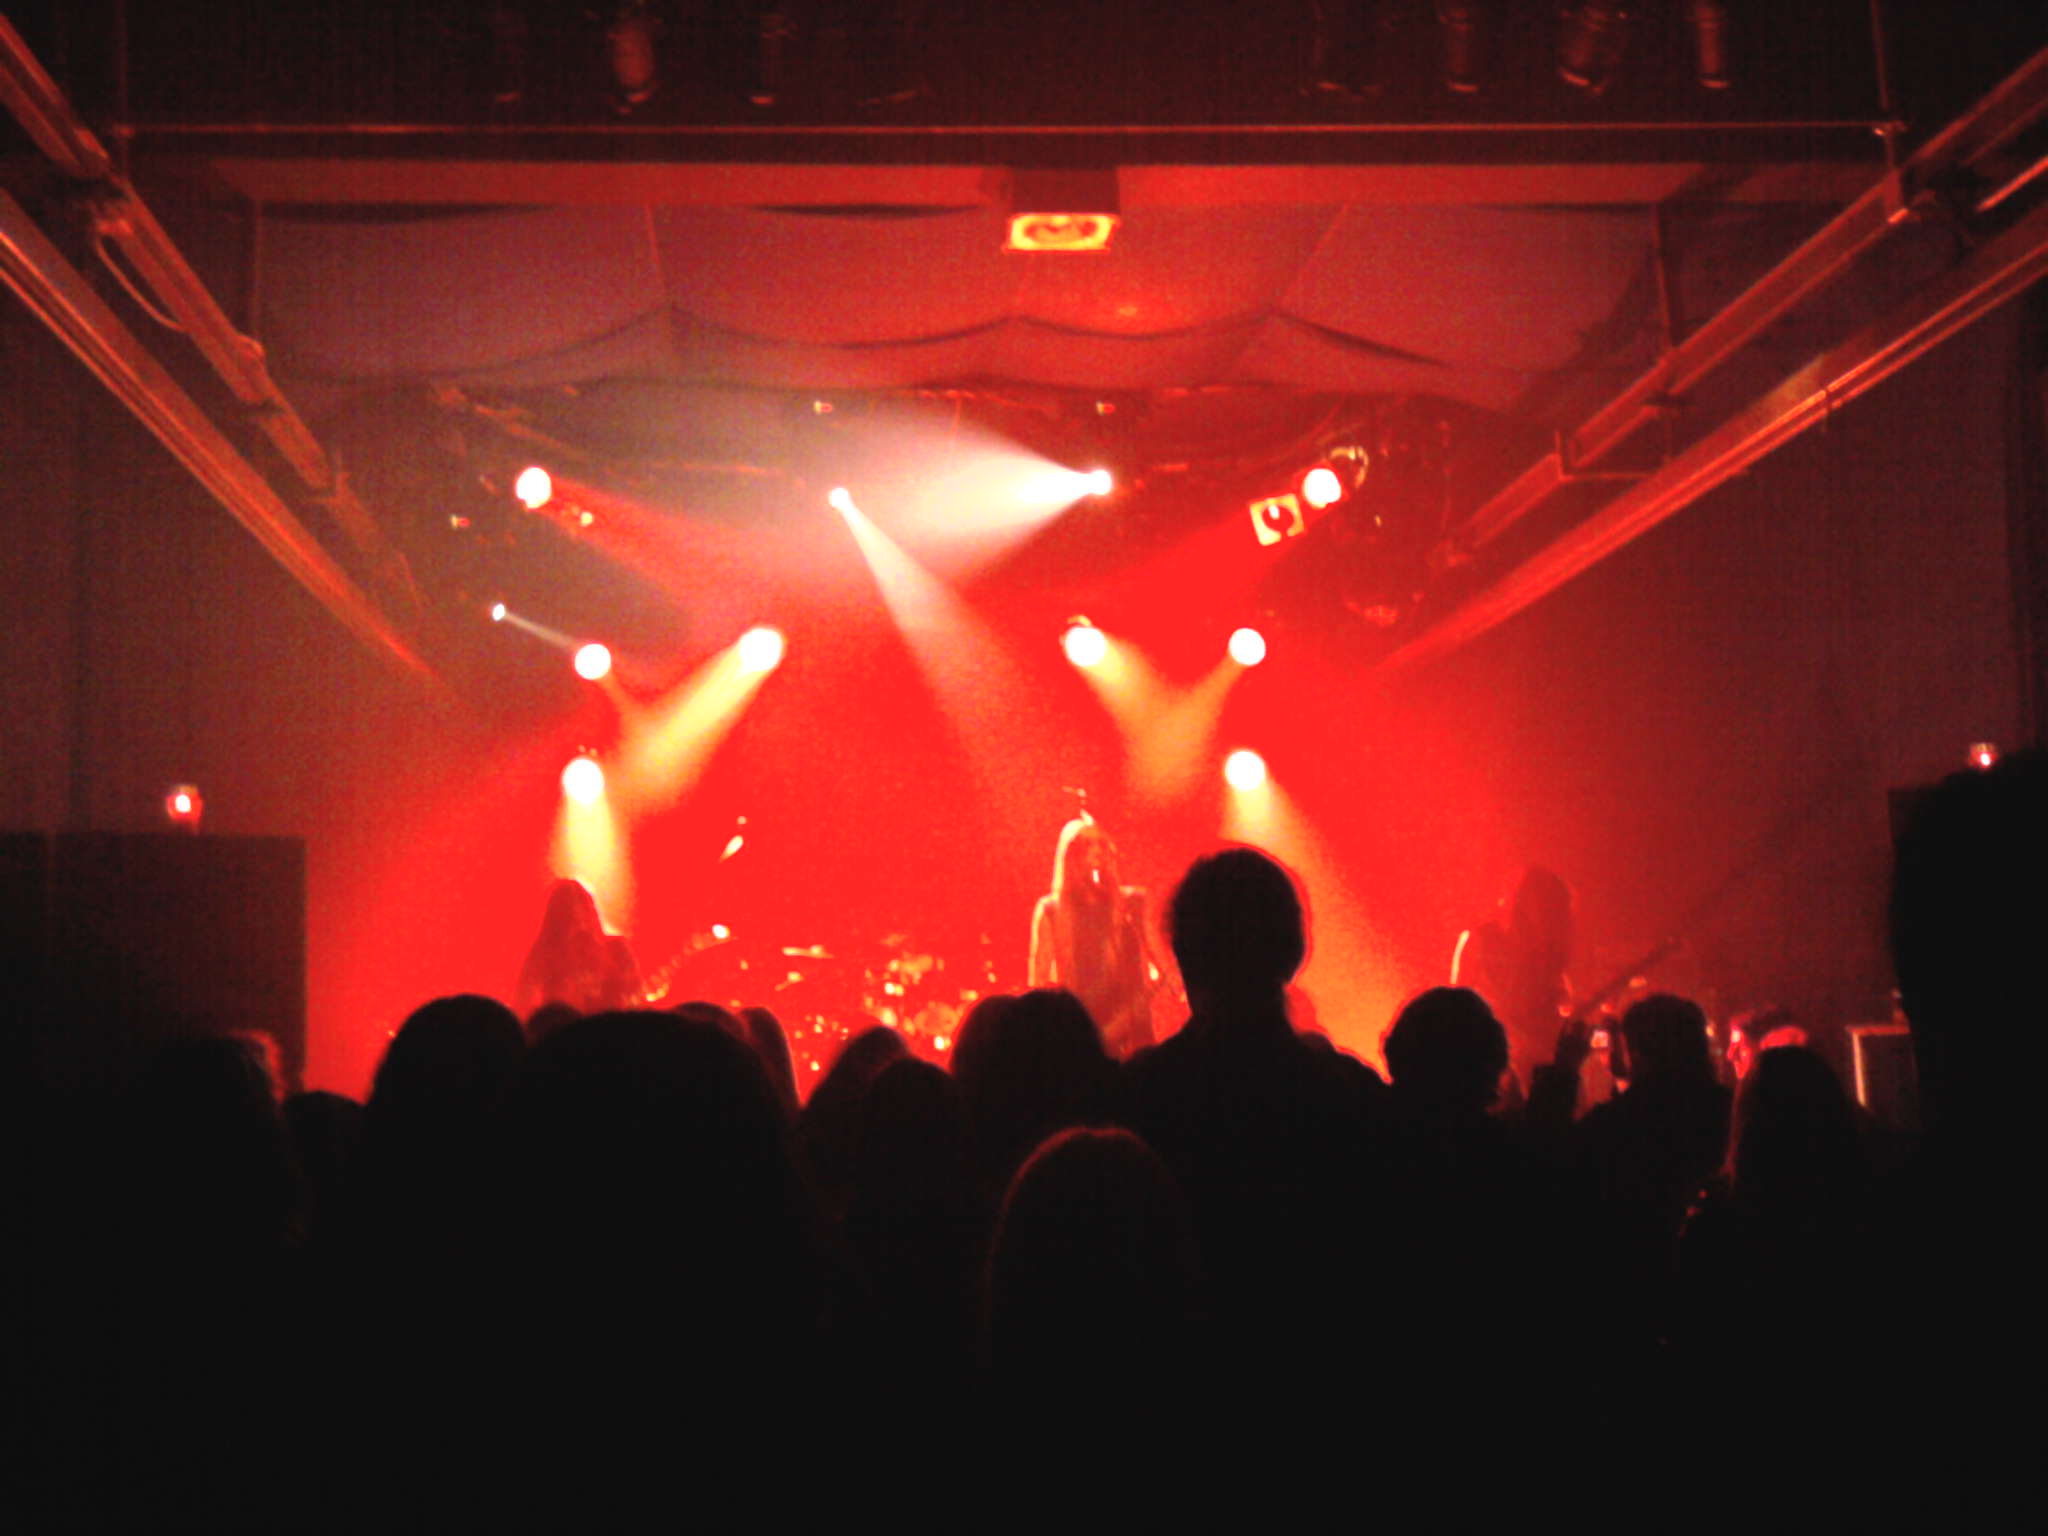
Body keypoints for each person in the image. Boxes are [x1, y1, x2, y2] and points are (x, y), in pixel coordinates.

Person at [1027, 814, 1165, 1058]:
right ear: (1071, 856)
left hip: (1133, 1035)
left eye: (1102, 844)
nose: (1097, 851)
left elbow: (1165, 965)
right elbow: (1038, 985)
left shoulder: (1133, 904)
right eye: (1087, 845)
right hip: (1079, 1034)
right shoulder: (1051, 911)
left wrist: (1150, 998)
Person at [513, 878, 641, 1019]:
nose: (579, 923)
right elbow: (522, 1001)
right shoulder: (543, 955)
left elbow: (636, 998)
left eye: (583, 912)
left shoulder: (617, 949)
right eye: (570, 916)